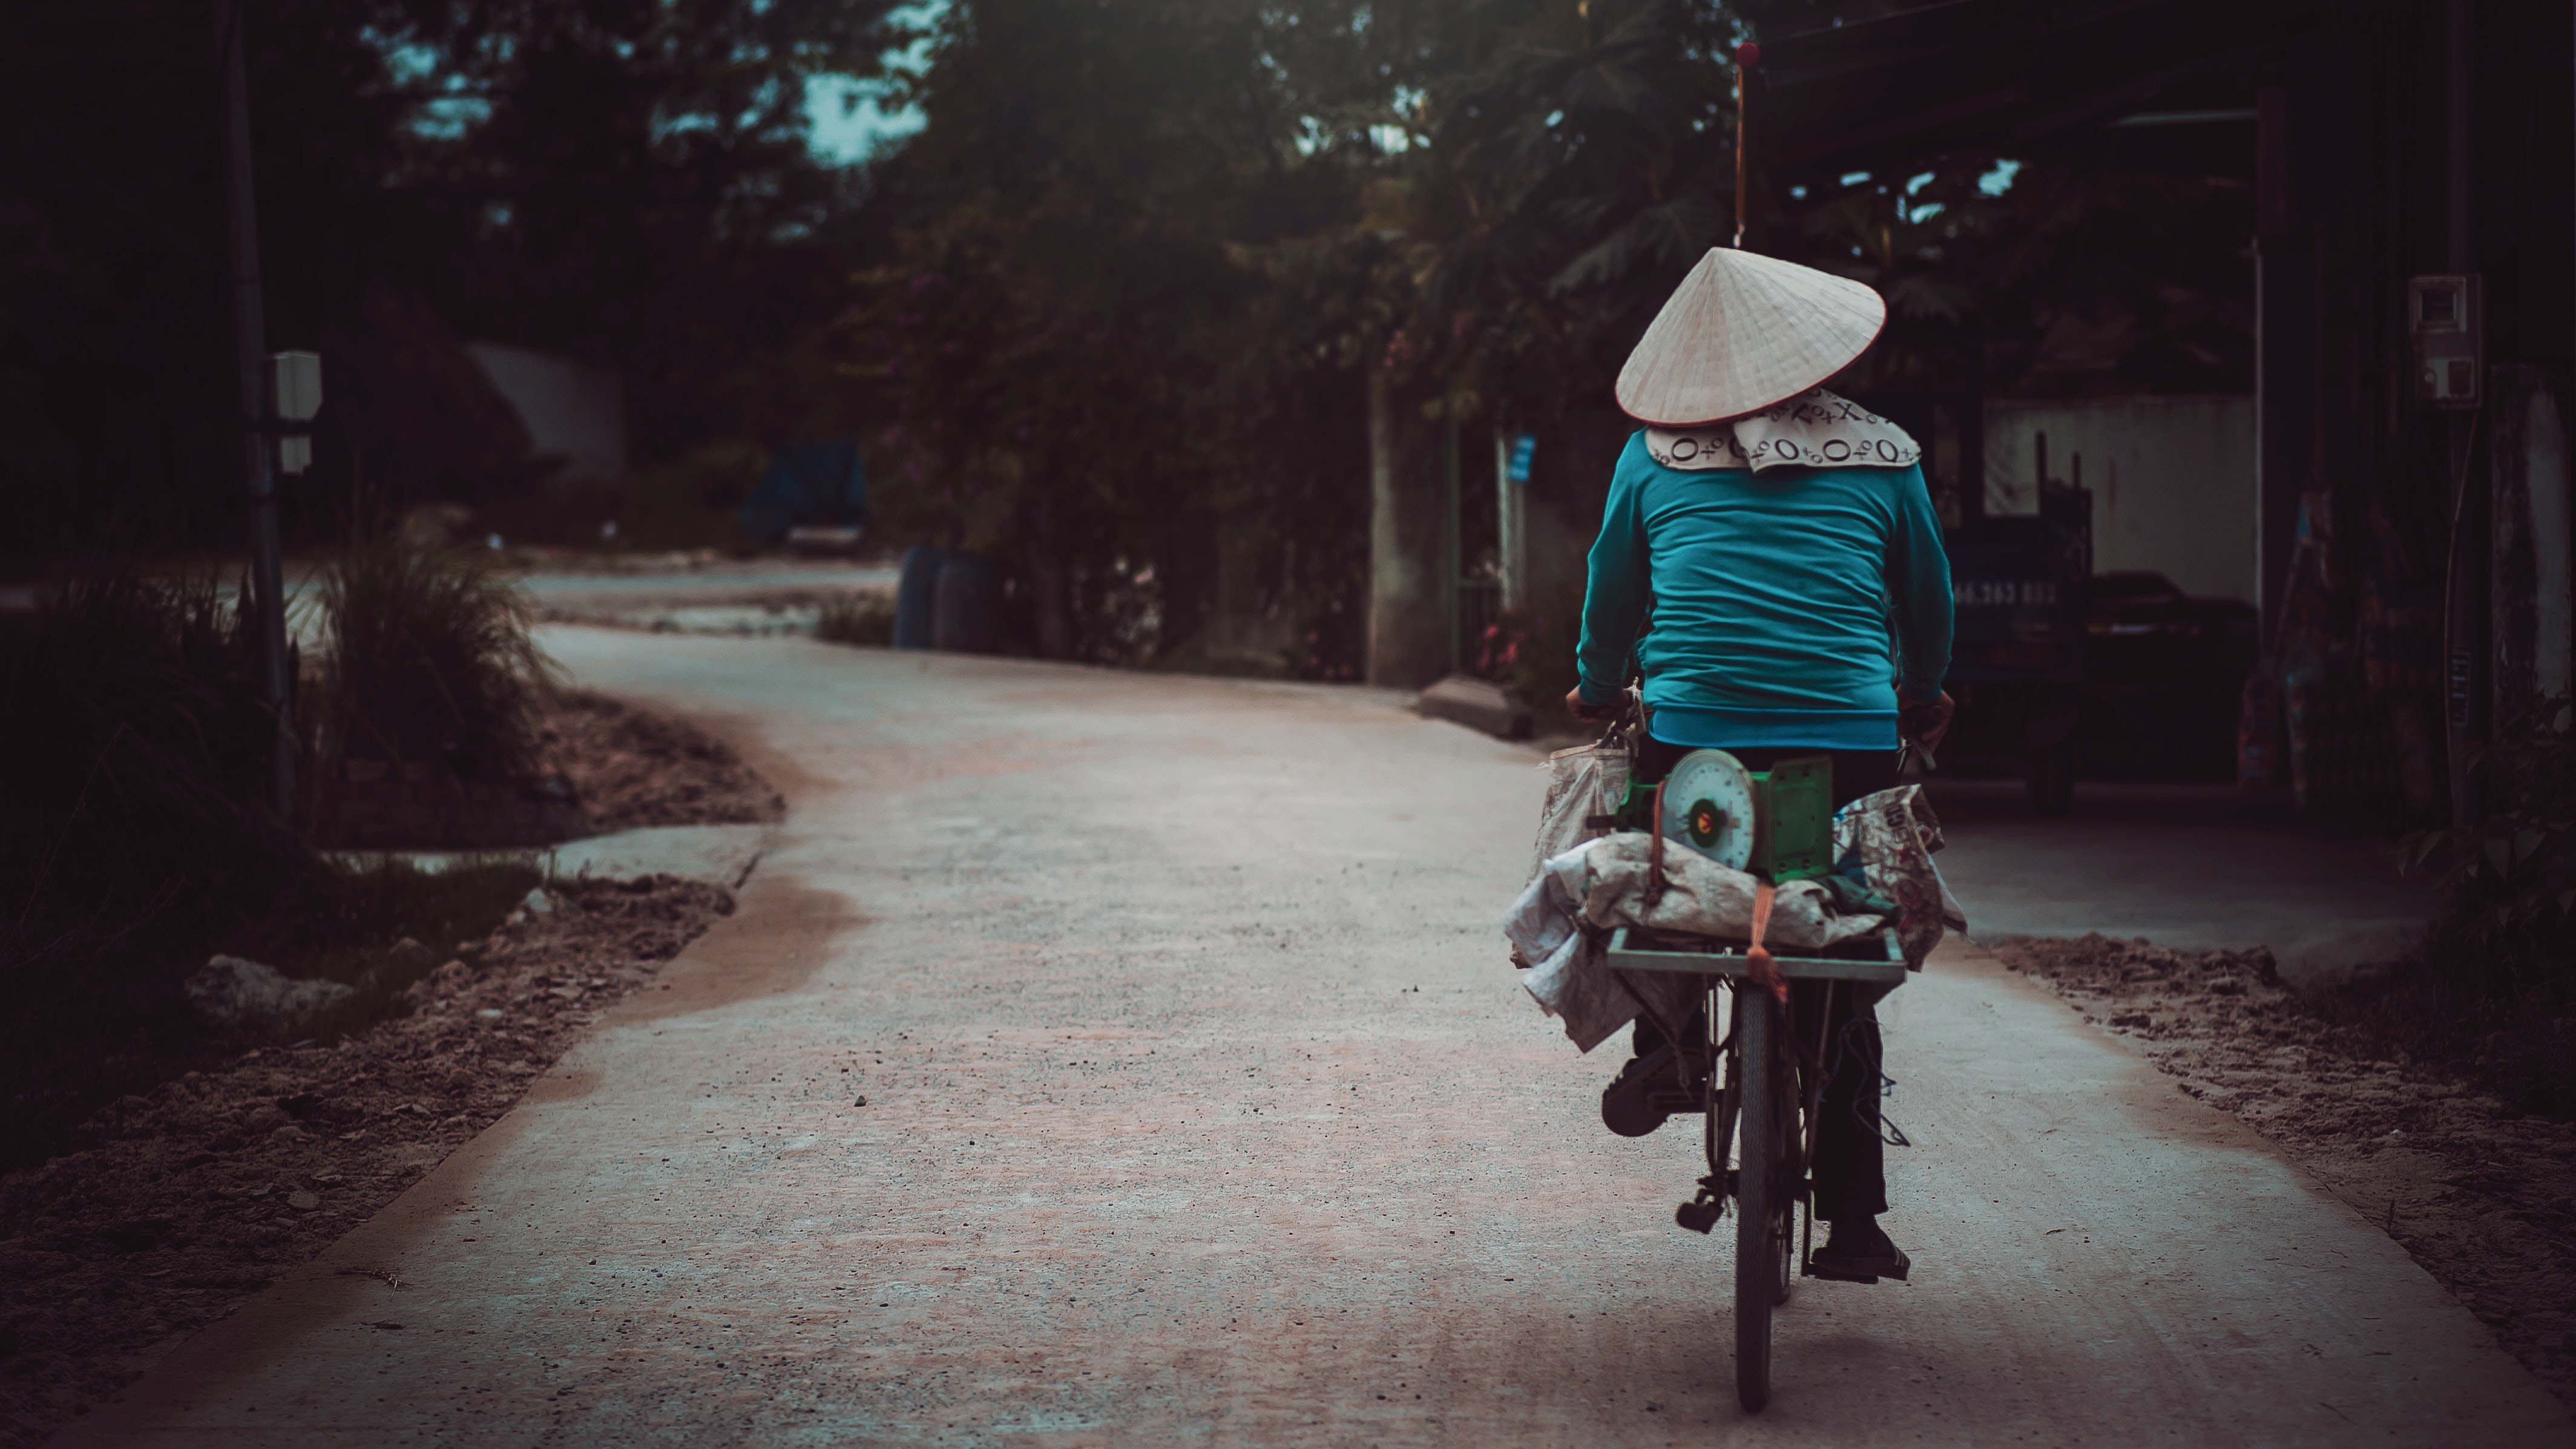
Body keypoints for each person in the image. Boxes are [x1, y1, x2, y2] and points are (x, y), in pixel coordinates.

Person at [1565, 246, 1954, 1286]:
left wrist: (1597, 685)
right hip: (1854, 738)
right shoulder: (1886, 452)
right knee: (1847, 944)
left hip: (1694, 732)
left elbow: (1611, 594)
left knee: (1661, 887)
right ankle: (1856, 1219)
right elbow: (1928, 604)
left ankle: (1667, 1044)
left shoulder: (1654, 453)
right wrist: (1922, 697)